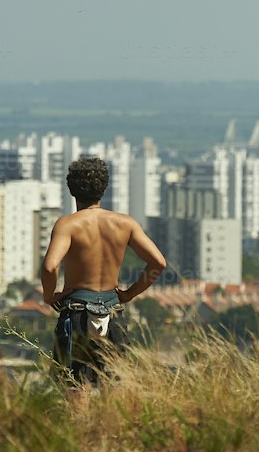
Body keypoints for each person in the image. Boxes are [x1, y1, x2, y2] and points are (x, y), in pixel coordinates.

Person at [40, 154, 168, 384]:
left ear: (71, 189)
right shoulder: (125, 223)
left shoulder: (68, 224)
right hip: (112, 312)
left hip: (77, 312)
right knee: (114, 388)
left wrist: (50, 296)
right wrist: (130, 293)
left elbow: (50, 267)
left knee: (76, 387)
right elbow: (158, 263)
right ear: (104, 188)